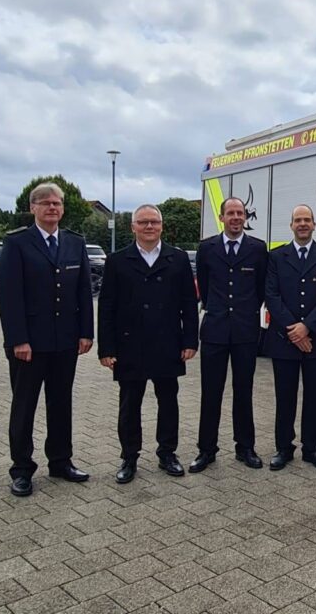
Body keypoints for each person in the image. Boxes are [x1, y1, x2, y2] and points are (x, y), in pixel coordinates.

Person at [0, 182, 94, 497]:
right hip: (29, 344)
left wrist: (86, 332)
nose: (52, 208)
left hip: (65, 341)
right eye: (46, 203)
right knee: (24, 406)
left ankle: (61, 461)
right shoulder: (17, 243)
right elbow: (9, 296)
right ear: (33, 208)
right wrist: (18, 340)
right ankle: (22, 469)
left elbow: (83, 291)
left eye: (57, 203)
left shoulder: (74, 243)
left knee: (61, 403)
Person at [97, 205, 199, 484]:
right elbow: (106, 306)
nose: (149, 227)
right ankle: (129, 457)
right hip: (130, 345)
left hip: (168, 342)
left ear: (162, 226)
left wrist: (190, 340)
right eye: (143, 222)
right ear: (133, 227)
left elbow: (189, 303)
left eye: (154, 222)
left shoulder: (177, 258)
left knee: (168, 401)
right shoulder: (117, 260)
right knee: (130, 404)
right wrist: (107, 349)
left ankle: (167, 453)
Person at [190, 196, 268, 472]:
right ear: (221, 217)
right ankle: (206, 450)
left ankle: (245, 447)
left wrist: (245, 312)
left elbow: (261, 289)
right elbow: (205, 287)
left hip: (245, 331)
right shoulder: (207, 248)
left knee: (244, 391)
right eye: (231, 213)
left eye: (240, 213)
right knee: (211, 392)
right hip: (215, 330)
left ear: (245, 218)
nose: (236, 217)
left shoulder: (258, 248)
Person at [265, 205, 316, 471]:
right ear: (291, 225)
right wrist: (294, 331)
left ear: (314, 224)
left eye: (307, 219)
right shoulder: (276, 256)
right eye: (298, 220)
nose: (302, 224)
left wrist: (307, 327)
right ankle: (283, 448)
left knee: (313, 397)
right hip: (284, 339)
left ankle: (312, 449)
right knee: (285, 396)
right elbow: (271, 295)